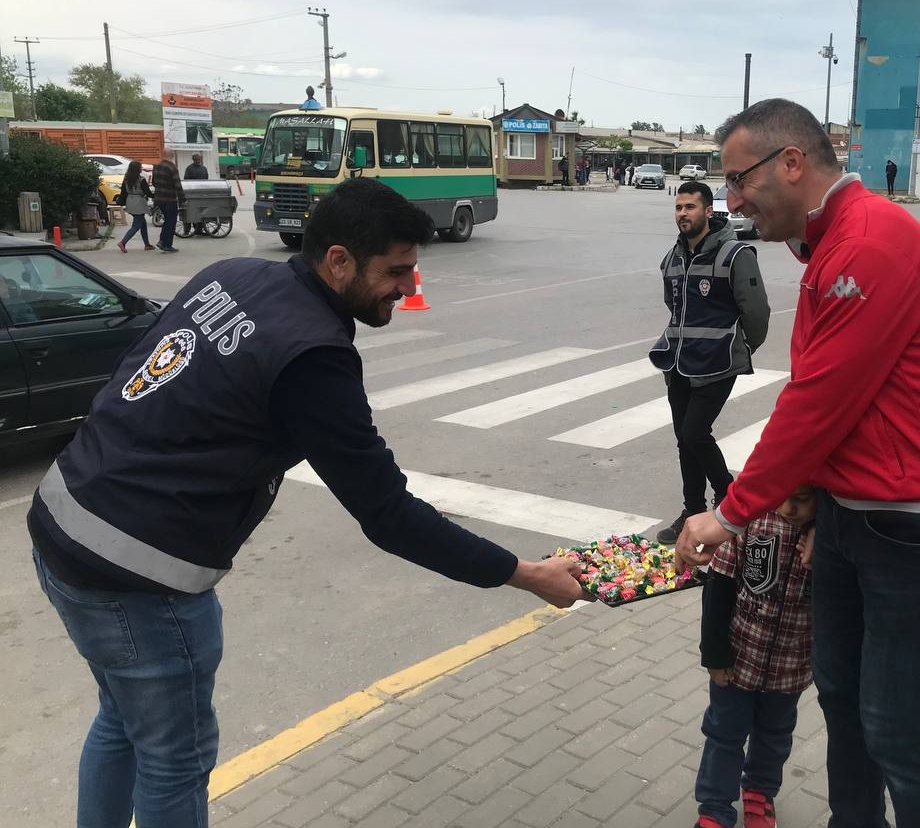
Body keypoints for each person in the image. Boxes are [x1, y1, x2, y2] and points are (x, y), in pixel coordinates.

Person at [27, 178, 587, 827]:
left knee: (123, 722)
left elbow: (134, 369)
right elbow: (388, 514)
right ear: (339, 260)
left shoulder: (233, 275)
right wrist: (525, 574)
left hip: (61, 519)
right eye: (395, 271)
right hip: (137, 575)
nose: (408, 286)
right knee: (174, 759)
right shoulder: (312, 355)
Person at [676, 99, 920, 828]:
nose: (731, 202)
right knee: (843, 701)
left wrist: (730, 515)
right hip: (851, 516)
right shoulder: (829, 245)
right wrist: (818, 501)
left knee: (896, 725)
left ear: (791, 163)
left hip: (918, 527)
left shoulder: (867, 245)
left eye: (738, 180)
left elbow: (818, 404)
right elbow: (835, 403)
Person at [650, 181, 769, 545]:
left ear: (707, 211)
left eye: (690, 207)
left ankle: (728, 499)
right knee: (684, 441)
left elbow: (757, 312)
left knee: (694, 433)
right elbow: (673, 305)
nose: (682, 214)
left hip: (718, 363)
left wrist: (742, 347)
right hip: (679, 362)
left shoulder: (735, 254)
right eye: (678, 207)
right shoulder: (672, 258)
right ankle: (691, 511)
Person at [696, 485, 818, 828]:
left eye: (802, 500)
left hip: (791, 667)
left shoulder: (827, 536)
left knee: (774, 735)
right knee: (723, 733)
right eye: (783, 496)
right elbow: (719, 585)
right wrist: (714, 655)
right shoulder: (748, 519)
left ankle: (759, 793)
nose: (789, 508)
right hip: (737, 659)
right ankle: (715, 808)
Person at [116, 160, 155, 253]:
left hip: (130, 202)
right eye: (140, 167)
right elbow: (148, 193)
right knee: (136, 225)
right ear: (138, 169)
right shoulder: (141, 180)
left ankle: (147, 244)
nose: (141, 169)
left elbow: (123, 193)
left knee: (143, 223)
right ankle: (123, 242)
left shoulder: (126, 179)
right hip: (139, 203)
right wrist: (157, 195)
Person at [151, 149, 185, 254]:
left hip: (159, 199)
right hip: (170, 199)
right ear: (171, 155)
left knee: (167, 220)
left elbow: (154, 182)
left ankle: (162, 241)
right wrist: (182, 199)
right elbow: (177, 184)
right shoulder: (172, 167)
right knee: (171, 222)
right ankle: (167, 245)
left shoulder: (156, 165)